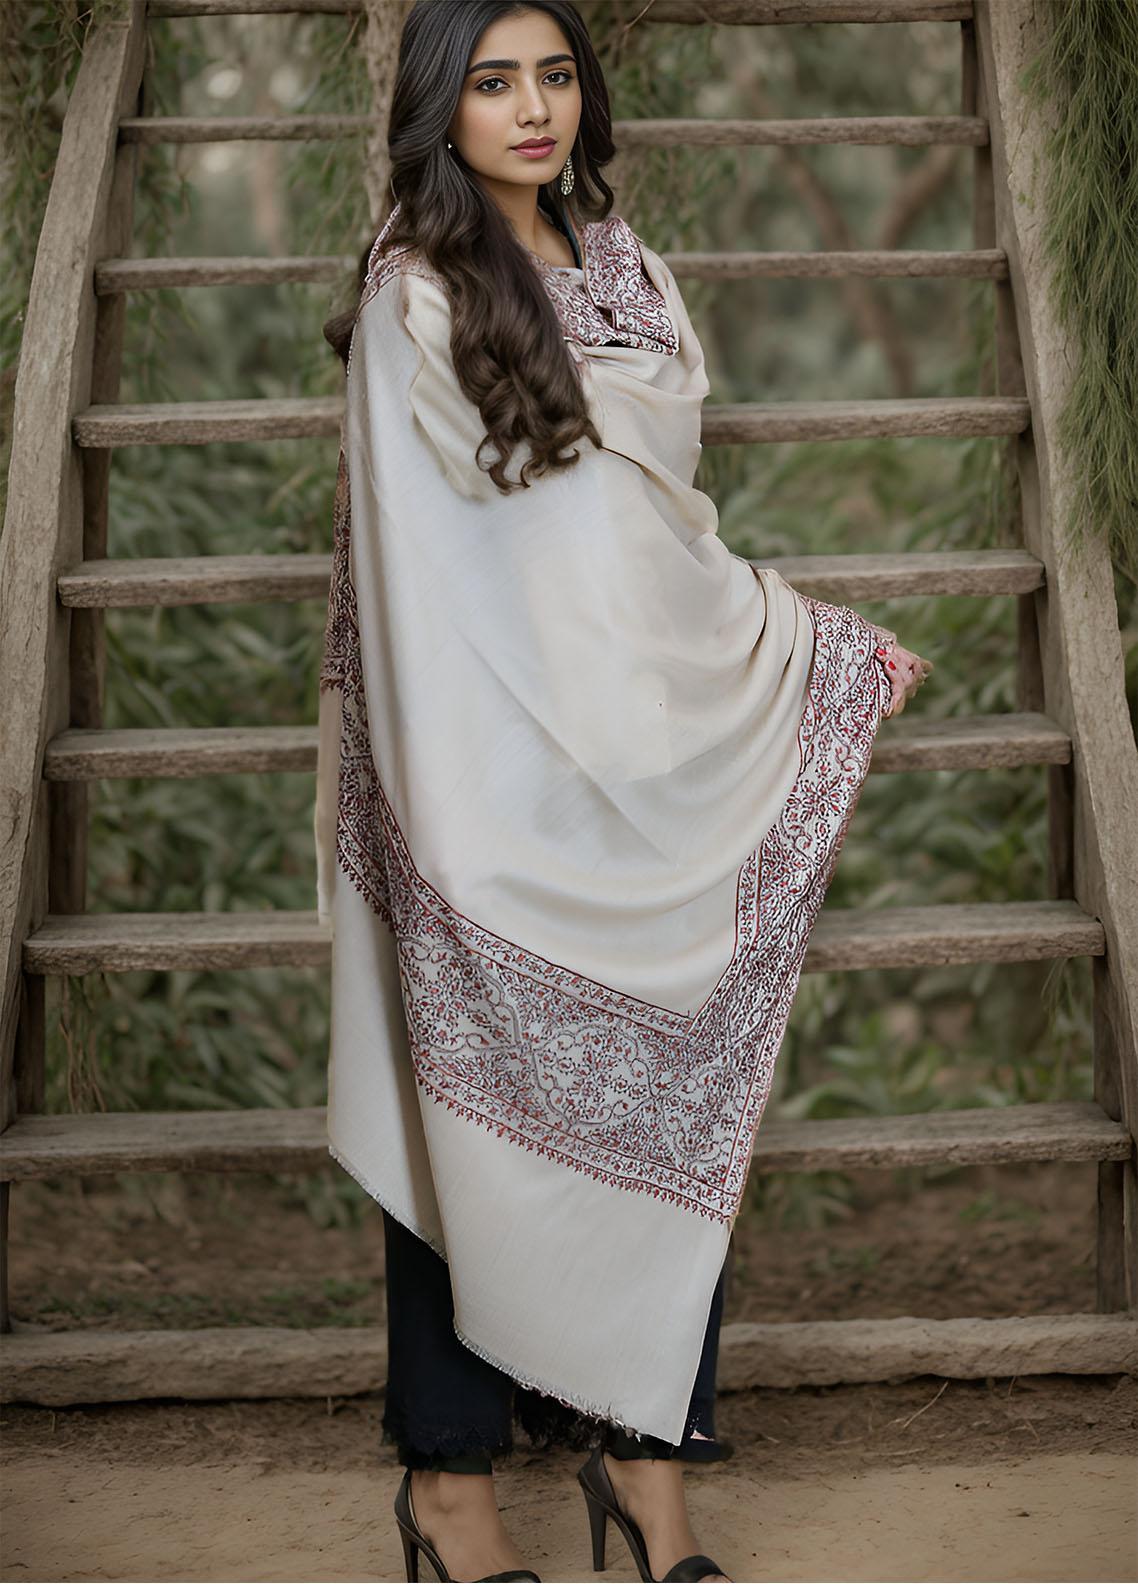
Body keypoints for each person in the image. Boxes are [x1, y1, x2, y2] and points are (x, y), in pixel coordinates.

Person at [316, 3, 932, 1580]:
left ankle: (649, 1475)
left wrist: (797, 644)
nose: (531, 107)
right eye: (492, 82)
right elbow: (447, 558)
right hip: (479, 767)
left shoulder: (630, 268)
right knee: (456, 1102)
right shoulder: (413, 292)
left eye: (554, 76)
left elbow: (647, 533)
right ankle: (450, 1485)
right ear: (439, 109)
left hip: (642, 759)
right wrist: (463, 805)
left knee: (679, 1095)